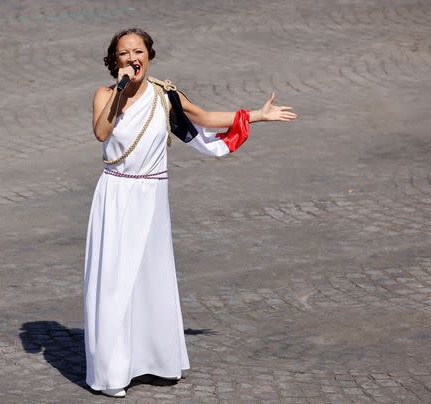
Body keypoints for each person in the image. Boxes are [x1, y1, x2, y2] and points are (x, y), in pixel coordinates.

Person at [83, 28, 297, 398]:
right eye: (124, 53)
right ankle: (111, 369)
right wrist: (119, 90)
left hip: (151, 194)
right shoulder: (105, 94)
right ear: (114, 60)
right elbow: (102, 133)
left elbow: (206, 118)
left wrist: (257, 116)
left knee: (151, 276)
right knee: (114, 280)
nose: (132, 58)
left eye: (138, 51)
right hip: (116, 194)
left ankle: (155, 361)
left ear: (149, 55)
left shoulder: (165, 95)